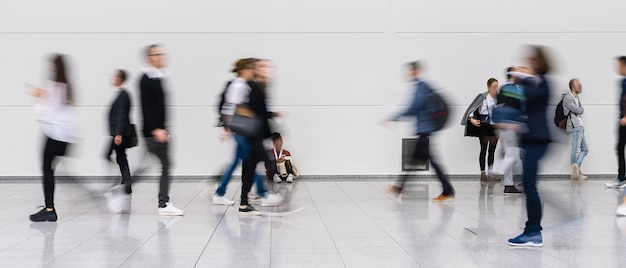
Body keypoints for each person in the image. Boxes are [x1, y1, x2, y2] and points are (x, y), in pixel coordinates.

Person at [385, 61, 455, 202]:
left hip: (425, 129)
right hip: (425, 129)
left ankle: (447, 191)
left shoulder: (421, 87)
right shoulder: (424, 86)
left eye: (409, 71)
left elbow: (414, 107)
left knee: (421, 161)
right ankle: (400, 186)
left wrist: (394, 117)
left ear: (415, 71)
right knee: (419, 160)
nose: (407, 74)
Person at [222, 58, 282, 215]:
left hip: (255, 134)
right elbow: (239, 107)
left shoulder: (257, 85)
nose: (263, 69)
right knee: (264, 162)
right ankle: (261, 195)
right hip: (251, 134)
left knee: (249, 168)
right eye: (259, 67)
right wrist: (228, 126)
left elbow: (260, 110)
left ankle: (244, 202)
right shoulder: (247, 85)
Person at [507, 45, 553, 247]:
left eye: (531, 62)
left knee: (530, 186)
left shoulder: (543, 84)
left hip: (538, 140)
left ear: (539, 63)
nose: (528, 66)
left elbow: (529, 94)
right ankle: (533, 230)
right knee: (529, 185)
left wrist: (520, 76)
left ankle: (533, 231)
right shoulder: (537, 83)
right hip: (532, 140)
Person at [213, 59, 270, 206]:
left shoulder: (244, 84)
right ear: (244, 70)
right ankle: (262, 193)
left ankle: (220, 192)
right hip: (238, 128)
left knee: (239, 161)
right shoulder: (238, 85)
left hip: (239, 128)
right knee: (249, 159)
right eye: (251, 69)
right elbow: (230, 106)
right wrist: (227, 127)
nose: (253, 71)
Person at [29, 54, 77, 222]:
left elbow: (46, 114)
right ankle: (49, 207)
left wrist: (38, 98)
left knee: (47, 170)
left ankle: (49, 209)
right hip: (64, 137)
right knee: (50, 169)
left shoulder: (54, 86)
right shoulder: (67, 86)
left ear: (55, 68)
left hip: (53, 135)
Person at [139, 44, 183, 216]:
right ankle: (163, 204)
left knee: (147, 166)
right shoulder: (147, 78)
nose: (161, 57)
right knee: (166, 165)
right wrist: (157, 129)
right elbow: (147, 107)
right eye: (156, 54)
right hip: (154, 132)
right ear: (149, 58)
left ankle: (120, 190)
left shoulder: (157, 77)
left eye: (161, 54)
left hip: (158, 131)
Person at [105, 69, 134, 213]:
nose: (112, 78)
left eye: (114, 76)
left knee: (110, 156)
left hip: (118, 134)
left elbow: (122, 115)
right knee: (121, 158)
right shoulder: (121, 93)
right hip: (118, 133)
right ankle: (126, 183)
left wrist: (118, 133)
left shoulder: (122, 95)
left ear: (119, 79)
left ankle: (123, 182)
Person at [493, 67, 525, 194]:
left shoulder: (504, 87)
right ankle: (496, 169)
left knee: (510, 154)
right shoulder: (512, 88)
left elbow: (499, 106)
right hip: (511, 126)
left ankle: (508, 184)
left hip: (506, 126)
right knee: (513, 155)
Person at [461, 78, 499, 181]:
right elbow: (472, 110)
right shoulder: (483, 97)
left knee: (492, 150)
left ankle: (491, 172)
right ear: (488, 87)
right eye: (493, 87)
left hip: (494, 127)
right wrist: (471, 119)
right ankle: (483, 173)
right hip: (484, 126)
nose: (495, 89)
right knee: (483, 149)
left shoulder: (499, 98)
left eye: (497, 87)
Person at [562, 78, 588, 180]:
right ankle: (576, 172)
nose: (580, 85)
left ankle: (576, 170)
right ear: (572, 86)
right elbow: (578, 110)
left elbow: (581, 110)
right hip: (575, 126)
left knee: (585, 149)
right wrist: (579, 110)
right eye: (578, 83)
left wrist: (580, 110)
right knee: (575, 149)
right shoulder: (568, 98)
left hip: (580, 126)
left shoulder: (577, 98)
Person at [607, 56, 626, 189]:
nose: (617, 68)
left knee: (620, 147)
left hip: (625, 119)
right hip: (622, 119)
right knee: (619, 148)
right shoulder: (623, 81)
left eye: (619, 66)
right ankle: (621, 177)